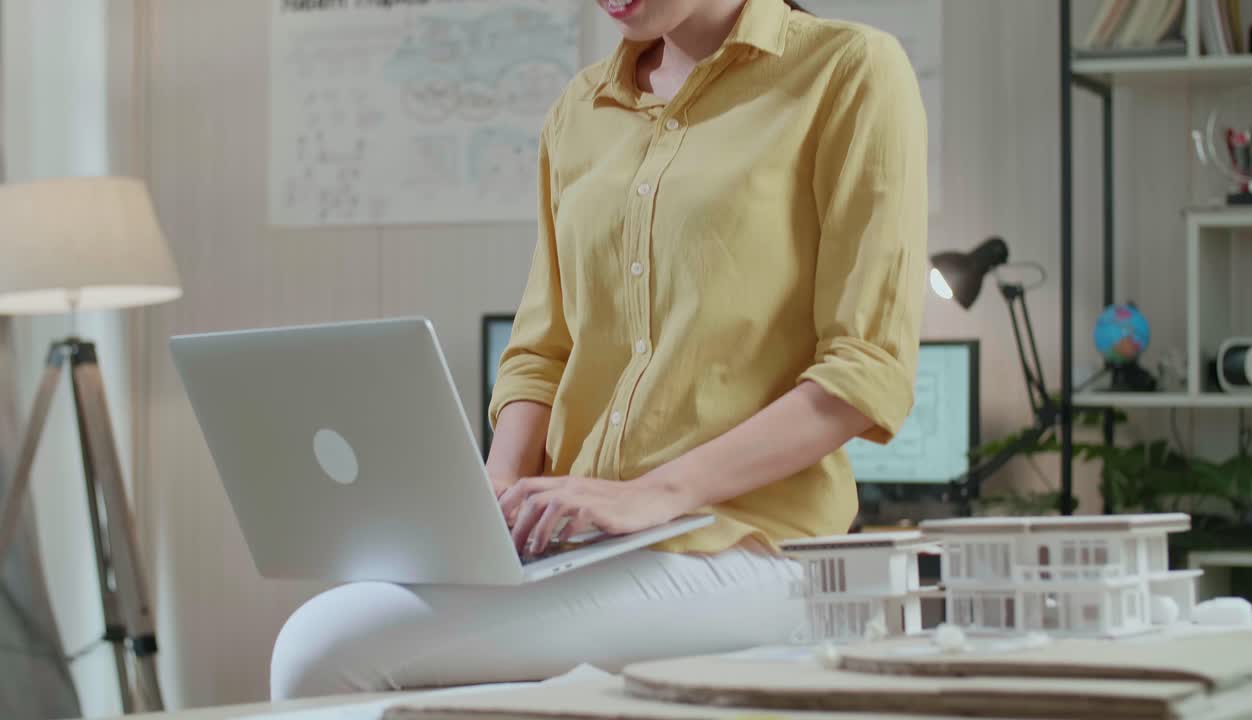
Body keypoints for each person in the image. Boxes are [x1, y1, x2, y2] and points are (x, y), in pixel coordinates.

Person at [270, 0, 927, 699]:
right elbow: (542, 352)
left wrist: (654, 494)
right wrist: (493, 495)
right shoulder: (581, 108)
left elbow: (864, 371)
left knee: (324, 646)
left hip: (762, 548)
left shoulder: (849, 71)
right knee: (353, 624)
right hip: (582, 546)